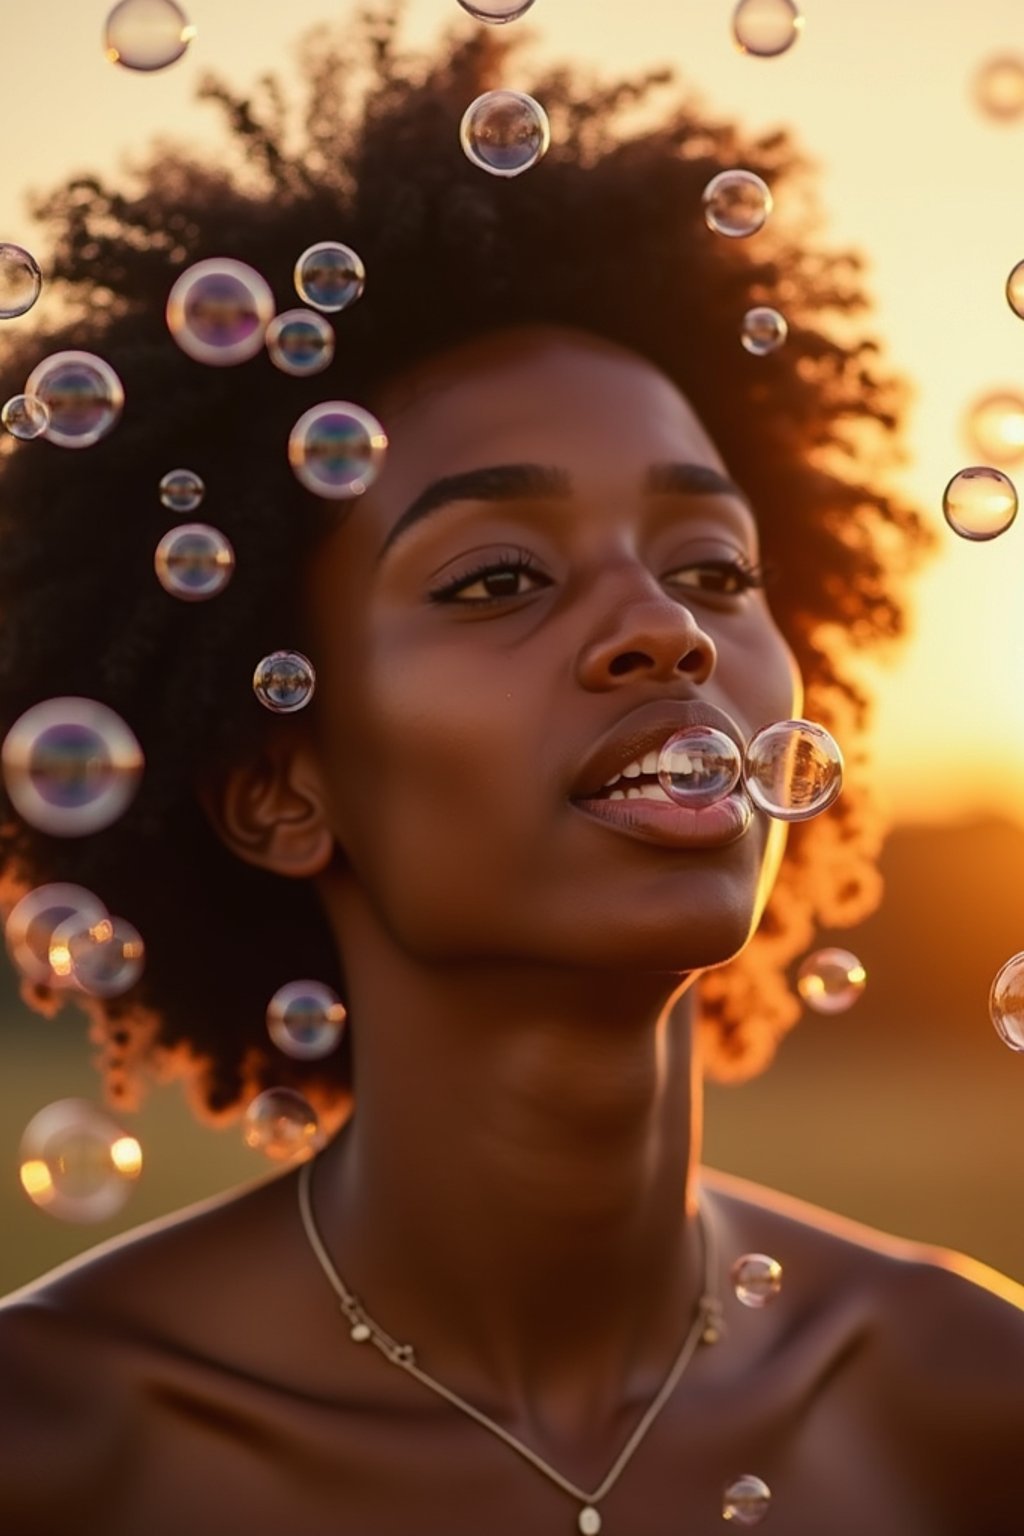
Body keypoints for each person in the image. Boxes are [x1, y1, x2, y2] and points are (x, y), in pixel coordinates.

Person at [0, 9, 1021, 1534]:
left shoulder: (966, 1400)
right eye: (495, 580)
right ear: (281, 787)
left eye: (717, 568)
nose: (665, 632)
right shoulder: (62, 1452)